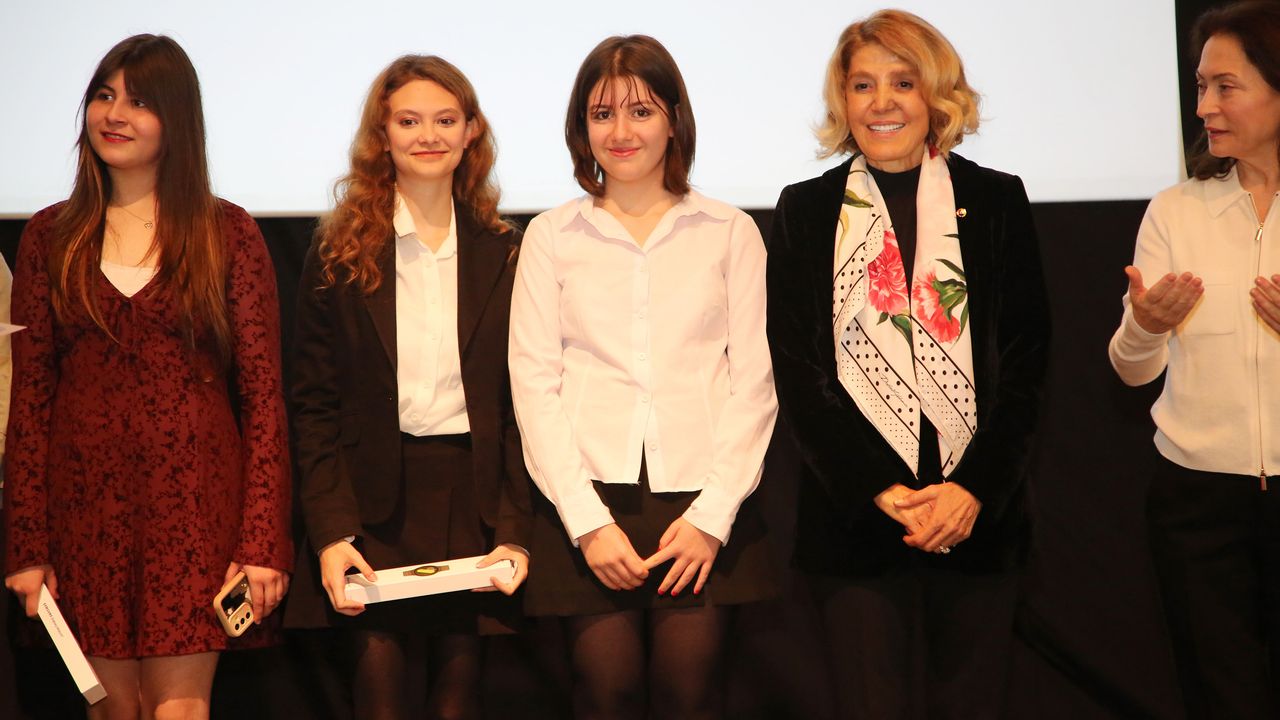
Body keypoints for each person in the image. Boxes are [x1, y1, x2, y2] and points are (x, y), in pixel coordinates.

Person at [765, 10, 1050, 719]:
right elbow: (800, 376)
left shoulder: (995, 200)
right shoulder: (805, 210)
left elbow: (1026, 364)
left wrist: (971, 491)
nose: (881, 102)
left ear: (937, 95)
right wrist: (879, 490)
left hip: (977, 519)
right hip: (856, 524)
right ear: (843, 100)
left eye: (902, 82)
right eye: (862, 85)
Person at [1, 34, 292, 720]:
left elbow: (263, 398)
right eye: (105, 96)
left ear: (176, 119)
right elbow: (31, 400)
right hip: (84, 513)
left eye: (138, 101)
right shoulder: (50, 236)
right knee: (109, 709)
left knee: (179, 709)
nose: (115, 114)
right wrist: (26, 546)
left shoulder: (227, 233)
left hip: (195, 510)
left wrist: (260, 542)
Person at [508, 35, 778, 720]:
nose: (621, 132)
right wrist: (586, 524)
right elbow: (533, 385)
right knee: (608, 693)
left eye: (641, 111)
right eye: (602, 114)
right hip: (587, 498)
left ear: (674, 120)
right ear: (581, 128)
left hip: (705, 499)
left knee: (691, 695)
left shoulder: (729, 230)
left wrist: (713, 519)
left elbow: (755, 385)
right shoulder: (550, 236)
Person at [287, 55, 531, 720]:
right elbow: (313, 407)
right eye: (409, 121)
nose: (428, 135)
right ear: (382, 134)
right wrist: (331, 532)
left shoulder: (508, 250)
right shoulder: (338, 251)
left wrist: (515, 530)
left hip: (474, 505)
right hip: (370, 511)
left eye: (445, 120)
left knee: (459, 704)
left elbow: (521, 406)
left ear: (471, 131)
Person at [1108, 2, 1280, 716]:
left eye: (1225, 86)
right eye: (1201, 86)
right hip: (1198, 502)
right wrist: (1146, 326)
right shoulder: (1175, 210)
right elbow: (1131, 369)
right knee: (1222, 697)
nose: (1204, 105)